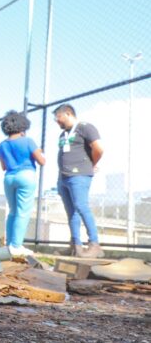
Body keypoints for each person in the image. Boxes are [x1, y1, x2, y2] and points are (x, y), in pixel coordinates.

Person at [53, 104, 104, 257]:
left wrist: (92, 164)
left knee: (82, 206)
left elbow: (99, 149)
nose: (57, 121)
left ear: (68, 113)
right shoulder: (63, 134)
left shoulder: (85, 128)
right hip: (63, 178)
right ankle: (76, 246)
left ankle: (94, 244)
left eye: (58, 117)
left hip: (79, 176)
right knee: (71, 212)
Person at [0, 110, 45, 257]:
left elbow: (3, 167)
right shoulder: (28, 141)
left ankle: (10, 245)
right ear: (23, 126)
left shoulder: (2, 145)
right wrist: (38, 151)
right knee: (23, 212)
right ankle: (16, 246)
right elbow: (42, 161)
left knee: (12, 211)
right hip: (26, 176)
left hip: (9, 178)